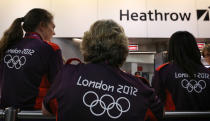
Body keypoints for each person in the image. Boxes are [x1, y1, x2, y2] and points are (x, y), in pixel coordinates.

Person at [42, 19, 163, 121]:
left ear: (87, 45)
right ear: (123, 49)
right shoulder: (141, 87)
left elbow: (47, 110)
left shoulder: (68, 74)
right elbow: (159, 114)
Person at [0, 8, 63, 110]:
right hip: (33, 114)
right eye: (53, 27)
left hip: (5, 113)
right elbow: (59, 86)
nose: (54, 33)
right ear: (42, 25)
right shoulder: (50, 49)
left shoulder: (8, 45)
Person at [152, 31, 210, 111]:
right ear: (194, 47)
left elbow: (156, 101)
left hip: (173, 117)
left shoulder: (163, 71)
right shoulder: (207, 72)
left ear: (172, 48)